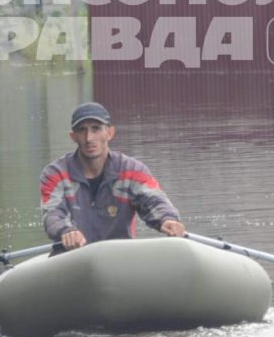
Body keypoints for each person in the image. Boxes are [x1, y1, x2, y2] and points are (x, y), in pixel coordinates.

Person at [40, 102, 187, 250]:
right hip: (71, 257)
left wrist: (167, 220)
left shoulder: (132, 170)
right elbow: (53, 215)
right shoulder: (55, 173)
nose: (89, 138)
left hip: (120, 258)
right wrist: (66, 231)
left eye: (96, 129)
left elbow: (154, 200)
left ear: (109, 133)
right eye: (82, 130)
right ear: (73, 136)